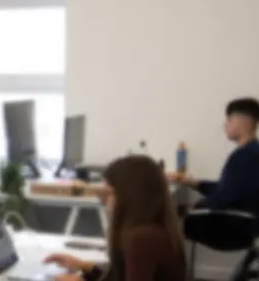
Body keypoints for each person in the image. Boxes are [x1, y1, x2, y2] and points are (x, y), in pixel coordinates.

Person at [44, 155, 186, 281]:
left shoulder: (142, 238)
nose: (103, 200)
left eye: (109, 193)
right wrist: (84, 267)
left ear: (129, 197)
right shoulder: (149, 231)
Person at [167, 97, 259, 214]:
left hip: (232, 224)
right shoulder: (249, 152)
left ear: (243, 121)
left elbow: (224, 199)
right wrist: (195, 182)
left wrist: (193, 209)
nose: (225, 124)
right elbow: (225, 191)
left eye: (229, 119)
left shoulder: (247, 156)